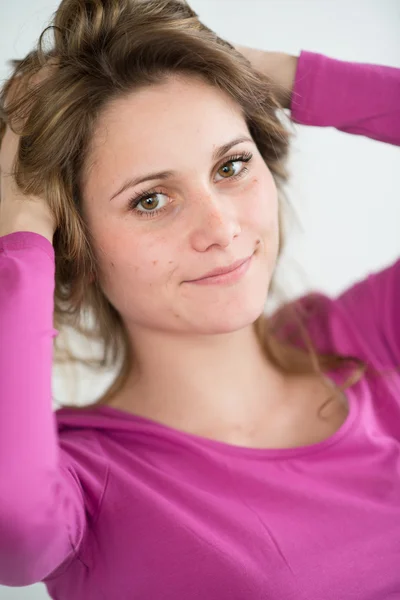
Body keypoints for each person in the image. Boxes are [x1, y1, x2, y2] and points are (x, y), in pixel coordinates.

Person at [0, 0, 399, 598]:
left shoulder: (367, 339)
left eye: (232, 164)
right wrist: (21, 224)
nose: (221, 227)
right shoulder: (87, 485)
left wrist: (259, 73)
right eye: (151, 200)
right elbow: (14, 525)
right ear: (73, 251)